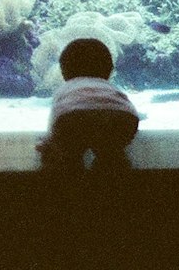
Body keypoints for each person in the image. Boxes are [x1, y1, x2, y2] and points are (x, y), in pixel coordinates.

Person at [36, 37, 141, 172]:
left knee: (67, 157)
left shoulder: (67, 88)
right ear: (109, 71)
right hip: (122, 115)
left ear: (63, 72)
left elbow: (57, 114)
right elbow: (124, 103)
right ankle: (118, 181)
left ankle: (71, 185)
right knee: (112, 155)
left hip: (72, 116)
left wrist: (49, 142)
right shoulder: (109, 87)